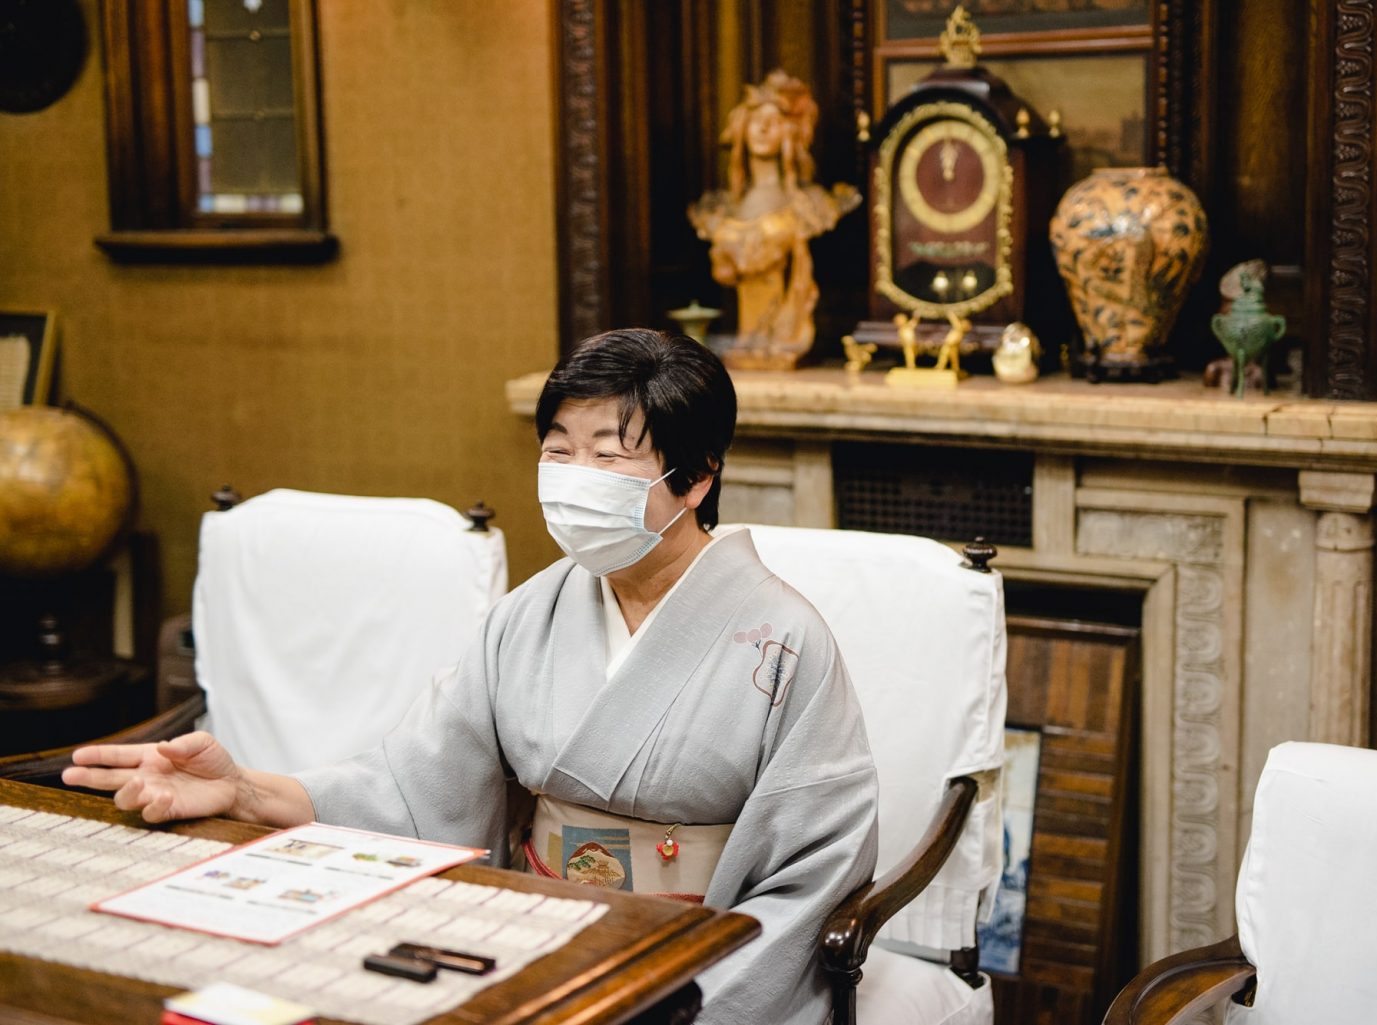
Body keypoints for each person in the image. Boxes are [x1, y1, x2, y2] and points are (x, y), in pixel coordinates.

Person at [64, 328, 879, 1025]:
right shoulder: (529, 615)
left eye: (608, 453)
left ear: (696, 475)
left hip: (691, 962)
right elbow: (411, 783)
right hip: (534, 934)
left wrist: (689, 996)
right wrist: (244, 790)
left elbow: (811, 874)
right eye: (558, 449)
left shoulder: (785, 641)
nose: (575, 474)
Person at [687, 70, 860, 370]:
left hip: (787, 335)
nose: (763, 129)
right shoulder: (717, 209)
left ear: (790, 132)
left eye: (775, 121)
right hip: (740, 342)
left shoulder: (813, 206)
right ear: (741, 127)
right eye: (756, 120)